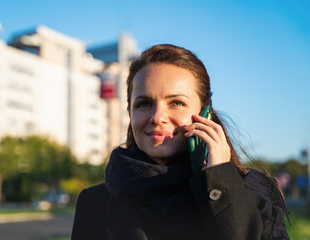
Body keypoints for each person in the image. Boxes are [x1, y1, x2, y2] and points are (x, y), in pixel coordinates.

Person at [71, 44, 290, 240]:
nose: (157, 117)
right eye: (144, 104)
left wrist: (221, 183)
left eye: (176, 102)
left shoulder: (254, 194)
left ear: (205, 114)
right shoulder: (93, 203)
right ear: (130, 112)